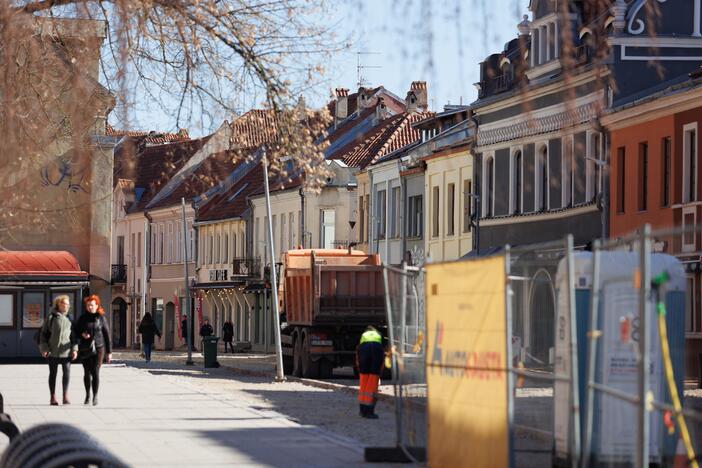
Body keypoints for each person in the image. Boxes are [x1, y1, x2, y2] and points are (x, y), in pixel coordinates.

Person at [39, 295, 77, 406]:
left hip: (66, 352)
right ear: (58, 304)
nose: (66, 306)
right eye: (64, 303)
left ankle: (65, 396)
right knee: (53, 374)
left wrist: (74, 349)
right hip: (53, 351)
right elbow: (43, 334)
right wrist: (44, 348)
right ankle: (53, 397)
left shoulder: (70, 318)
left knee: (66, 373)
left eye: (67, 304)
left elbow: (74, 337)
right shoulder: (51, 317)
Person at [74, 295, 112, 406]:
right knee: (86, 372)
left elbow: (107, 335)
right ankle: (87, 395)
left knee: (95, 372)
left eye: (92, 305)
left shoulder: (101, 318)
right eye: (88, 305)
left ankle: (95, 396)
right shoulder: (82, 318)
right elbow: (76, 331)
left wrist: (109, 352)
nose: (90, 307)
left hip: (99, 348)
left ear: (96, 305)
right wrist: (82, 334)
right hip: (85, 348)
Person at [356, 326, 384, 419]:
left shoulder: (363, 335)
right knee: (372, 380)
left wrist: (360, 368)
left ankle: (362, 411)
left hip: (363, 350)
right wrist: (379, 373)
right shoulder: (378, 336)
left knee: (364, 381)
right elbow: (383, 356)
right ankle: (369, 412)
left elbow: (358, 353)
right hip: (376, 349)